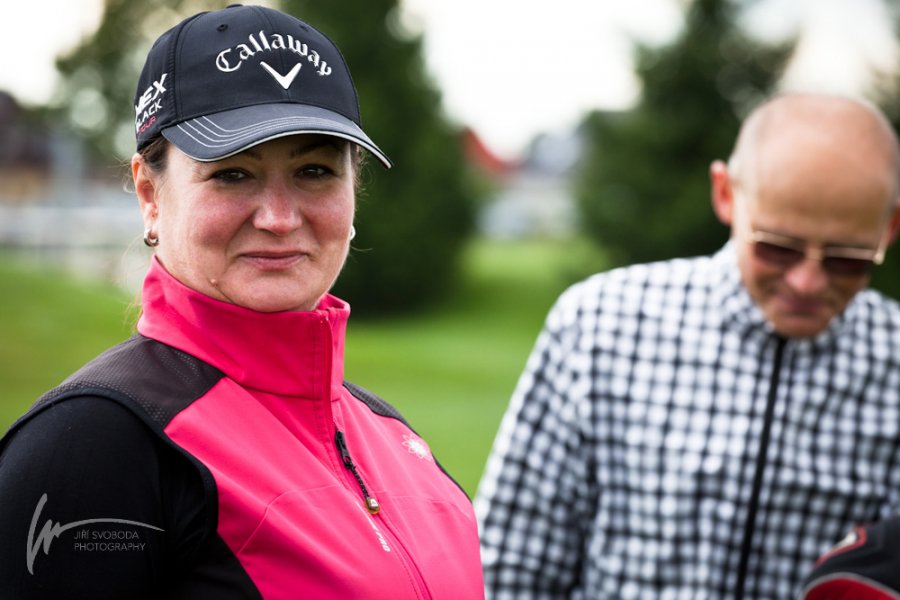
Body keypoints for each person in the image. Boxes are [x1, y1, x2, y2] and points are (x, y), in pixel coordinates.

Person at [0, 5, 484, 599]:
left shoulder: (392, 434)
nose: (279, 218)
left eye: (314, 171)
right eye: (233, 174)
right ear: (150, 195)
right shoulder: (94, 445)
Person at [475, 92, 900, 599]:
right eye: (777, 248)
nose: (807, 282)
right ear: (726, 194)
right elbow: (510, 565)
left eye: (847, 259)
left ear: (890, 227)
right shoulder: (599, 325)